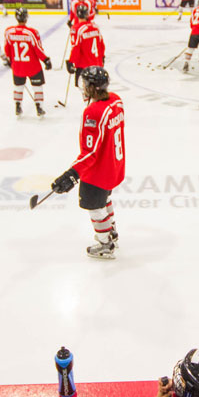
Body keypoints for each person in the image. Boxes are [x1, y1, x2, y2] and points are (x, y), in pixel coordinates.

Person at [51, 67, 125, 260]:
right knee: (105, 200)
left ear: (91, 86)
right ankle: (112, 233)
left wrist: (71, 174)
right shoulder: (116, 100)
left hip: (98, 171)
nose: (82, 86)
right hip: (113, 165)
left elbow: (91, 152)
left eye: (84, 83)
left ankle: (105, 243)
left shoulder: (93, 113)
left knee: (95, 206)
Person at [4, 7, 53, 118]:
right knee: (37, 87)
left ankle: (17, 105)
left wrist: (9, 59)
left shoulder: (9, 31)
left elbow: (7, 48)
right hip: (32, 66)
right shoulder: (31, 33)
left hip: (18, 66)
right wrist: (46, 60)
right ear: (26, 18)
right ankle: (39, 107)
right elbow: (38, 49)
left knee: (18, 86)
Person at [67, 3, 105, 87]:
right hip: (98, 64)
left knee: (84, 89)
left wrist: (71, 62)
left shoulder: (76, 29)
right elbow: (102, 45)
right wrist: (102, 57)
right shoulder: (95, 27)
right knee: (96, 90)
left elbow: (76, 48)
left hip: (84, 66)